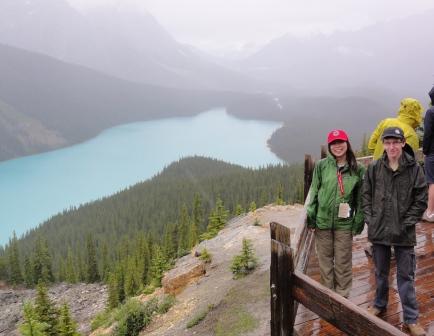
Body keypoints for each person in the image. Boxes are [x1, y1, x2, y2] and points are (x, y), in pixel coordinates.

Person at [362, 126, 427, 336]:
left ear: (402, 144)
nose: (391, 147)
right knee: (380, 272)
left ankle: (411, 319)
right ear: (384, 145)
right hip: (379, 229)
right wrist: (370, 219)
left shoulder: (414, 168)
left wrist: (407, 222)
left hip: (404, 232)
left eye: (395, 142)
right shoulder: (374, 168)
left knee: (405, 276)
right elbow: (366, 195)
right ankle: (379, 305)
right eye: (387, 143)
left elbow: (421, 198)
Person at [307, 129, 365, 298]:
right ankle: (328, 296)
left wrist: (358, 222)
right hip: (322, 222)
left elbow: (361, 199)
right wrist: (311, 218)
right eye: (333, 143)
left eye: (340, 142)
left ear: (347, 144)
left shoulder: (358, 169)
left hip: (344, 224)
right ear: (329, 146)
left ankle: (342, 297)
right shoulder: (321, 165)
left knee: (343, 262)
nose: (337, 146)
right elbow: (314, 192)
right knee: (325, 262)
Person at [364, 97, 423, 257]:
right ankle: (390, 244)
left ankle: (373, 242)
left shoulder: (386, 122)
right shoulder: (411, 134)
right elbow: (411, 160)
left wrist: (376, 156)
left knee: (377, 204)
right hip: (396, 174)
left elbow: (371, 143)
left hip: (376, 170)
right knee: (394, 205)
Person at [422, 86, 434, 222]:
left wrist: (425, 151)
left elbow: (428, 134)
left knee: (432, 182)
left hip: (432, 152)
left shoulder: (431, 112)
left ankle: (430, 212)